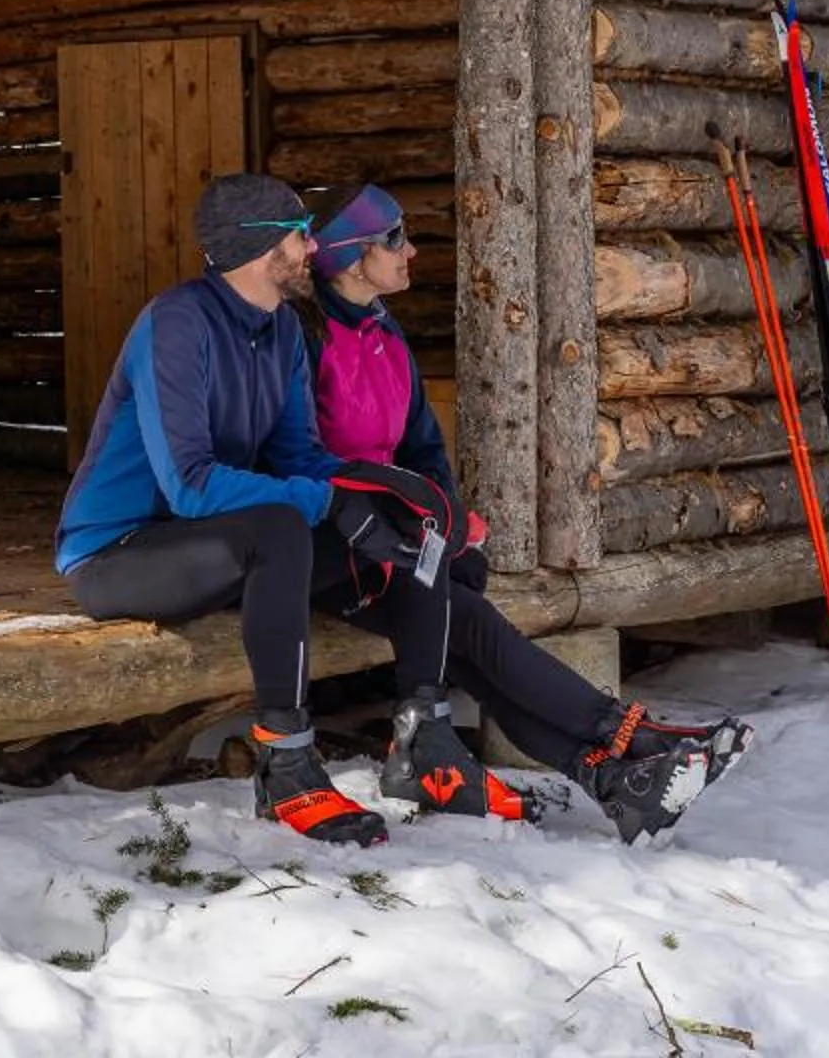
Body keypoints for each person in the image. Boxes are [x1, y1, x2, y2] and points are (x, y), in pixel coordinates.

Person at [58, 172, 541, 847]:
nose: (313, 249)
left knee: (402, 526)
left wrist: (384, 493)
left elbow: (298, 456)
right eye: (298, 235)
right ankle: (285, 761)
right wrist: (329, 501)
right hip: (119, 551)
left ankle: (425, 742)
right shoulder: (177, 323)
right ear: (260, 248)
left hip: (211, 544)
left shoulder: (281, 329)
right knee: (284, 526)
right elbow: (190, 485)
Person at [305, 183, 753, 842]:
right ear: (348, 259)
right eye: (393, 238)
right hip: (336, 547)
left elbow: (423, 447)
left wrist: (444, 518)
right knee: (469, 623)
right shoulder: (308, 338)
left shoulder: (383, 332)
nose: (411, 250)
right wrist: (397, 517)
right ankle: (625, 736)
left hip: (396, 540)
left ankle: (609, 775)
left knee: (466, 616)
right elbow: (306, 461)